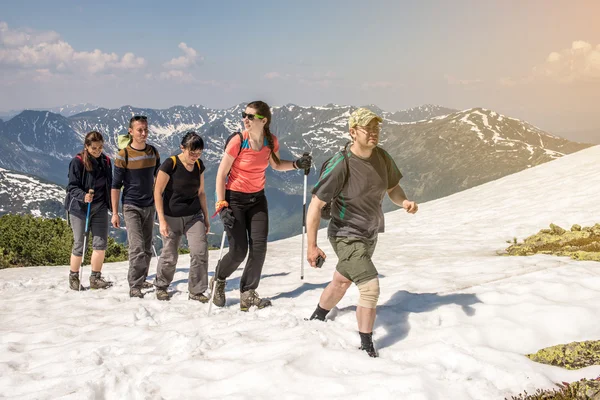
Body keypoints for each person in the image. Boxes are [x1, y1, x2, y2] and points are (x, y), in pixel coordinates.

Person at [305, 108, 418, 358]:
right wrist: (311, 246)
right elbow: (315, 205)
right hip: (345, 234)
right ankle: (367, 347)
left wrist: (404, 202)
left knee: (342, 280)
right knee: (370, 287)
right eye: (368, 128)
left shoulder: (382, 157)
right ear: (353, 132)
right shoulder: (341, 163)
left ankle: (317, 317)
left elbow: (393, 187)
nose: (374, 133)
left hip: (369, 234)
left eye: (376, 128)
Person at [213, 100, 312, 311]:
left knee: (259, 248)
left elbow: (275, 164)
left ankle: (247, 293)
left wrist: (296, 164)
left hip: (257, 199)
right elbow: (221, 174)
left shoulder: (270, 141)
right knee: (239, 251)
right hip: (235, 199)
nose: (245, 119)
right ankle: (219, 279)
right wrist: (221, 205)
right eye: (244, 115)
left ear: (263, 120)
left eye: (250, 116)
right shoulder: (238, 141)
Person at [153, 132, 210, 302]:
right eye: (192, 152)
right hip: (171, 216)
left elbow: (201, 193)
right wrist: (161, 220)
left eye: (198, 153)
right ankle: (162, 286)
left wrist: (206, 218)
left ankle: (197, 291)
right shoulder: (171, 164)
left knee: (200, 252)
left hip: (194, 215)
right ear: (182, 148)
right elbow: (157, 192)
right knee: (170, 254)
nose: (195, 156)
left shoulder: (199, 165)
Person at [111, 115, 161, 298]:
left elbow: (159, 178)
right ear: (130, 132)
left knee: (148, 246)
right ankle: (134, 284)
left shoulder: (153, 152)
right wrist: (115, 212)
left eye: (146, 129)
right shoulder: (123, 155)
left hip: (150, 205)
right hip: (131, 205)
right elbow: (116, 185)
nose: (144, 133)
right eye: (139, 130)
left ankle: (142, 278)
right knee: (137, 247)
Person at [64, 131, 114, 291]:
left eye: (100, 148)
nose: (98, 151)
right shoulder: (77, 162)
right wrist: (83, 196)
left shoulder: (106, 161)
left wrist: (112, 207)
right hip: (79, 209)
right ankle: (73, 276)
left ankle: (95, 278)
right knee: (80, 243)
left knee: (100, 243)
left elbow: (109, 183)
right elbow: (72, 186)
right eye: (94, 148)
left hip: (99, 206)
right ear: (86, 146)